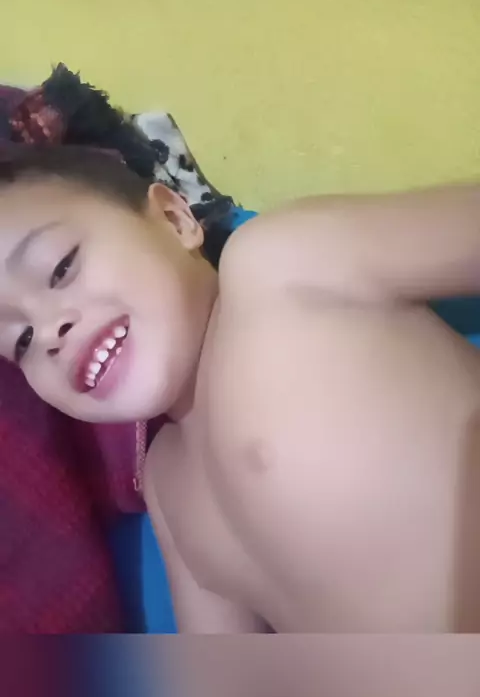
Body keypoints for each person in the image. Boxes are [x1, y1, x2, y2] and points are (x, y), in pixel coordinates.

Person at [1, 144, 480, 633]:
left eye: (60, 268)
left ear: (174, 219)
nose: (49, 332)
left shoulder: (279, 265)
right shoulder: (165, 484)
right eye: (21, 342)